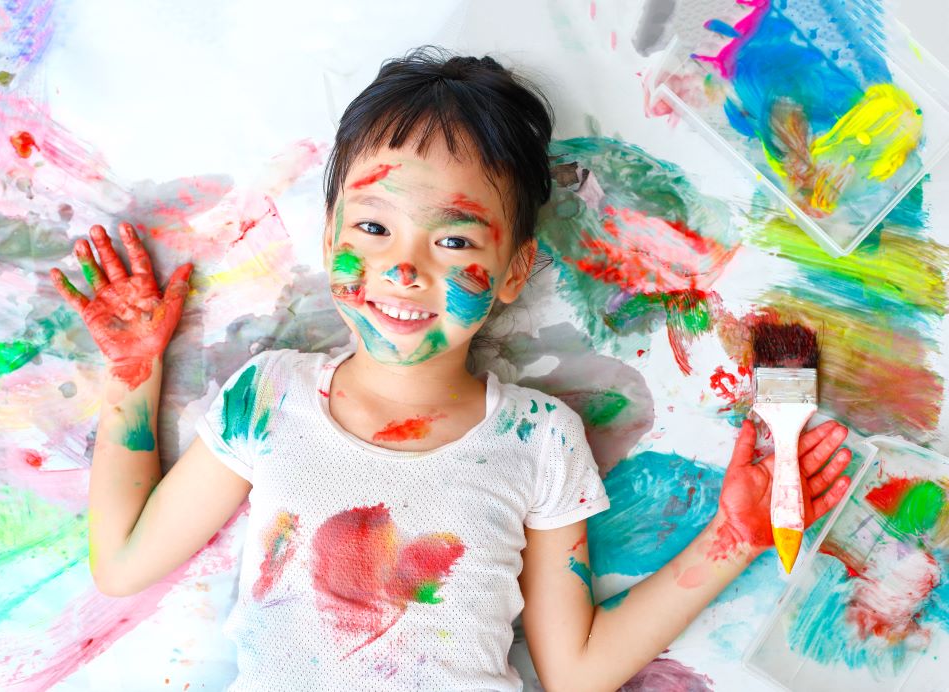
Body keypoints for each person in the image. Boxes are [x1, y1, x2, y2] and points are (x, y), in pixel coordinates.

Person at [49, 47, 852, 691]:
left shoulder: (541, 439)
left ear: (512, 271)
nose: (404, 270)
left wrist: (736, 537)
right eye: (374, 227)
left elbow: (576, 673)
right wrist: (132, 371)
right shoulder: (269, 397)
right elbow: (121, 564)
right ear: (330, 235)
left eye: (454, 240)